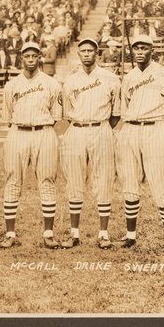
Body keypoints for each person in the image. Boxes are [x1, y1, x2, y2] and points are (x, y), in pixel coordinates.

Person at [116, 35, 164, 256]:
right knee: (130, 181)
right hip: (131, 129)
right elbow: (125, 109)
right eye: (135, 48)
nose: (139, 51)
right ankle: (130, 236)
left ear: (151, 51)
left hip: (156, 127)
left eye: (144, 48)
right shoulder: (128, 78)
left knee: (161, 184)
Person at [0, 40, 63, 249]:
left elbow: (55, 115)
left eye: (34, 55)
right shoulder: (12, 85)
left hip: (44, 132)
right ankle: (10, 234)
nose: (30, 59)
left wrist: (40, 125)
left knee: (47, 181)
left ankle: (48, 233)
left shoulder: (51, 83)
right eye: (26, 55)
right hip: (18, 132)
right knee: (12, 181)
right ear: (21, 58)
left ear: (39, 58)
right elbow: (8, 115)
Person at [59, 37, 122, 249]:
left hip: (101, 128)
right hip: (76, 129)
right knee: (75, 181)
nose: (87, 54)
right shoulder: (70, 81)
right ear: (78, 54)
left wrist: (101, 127)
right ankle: (74, 233)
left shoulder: (110, 78)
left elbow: (116, 114)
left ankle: (103, 233)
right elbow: (67, 113)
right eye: (83, 51)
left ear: (97, 53)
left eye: (90, 51)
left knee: (103, 180)